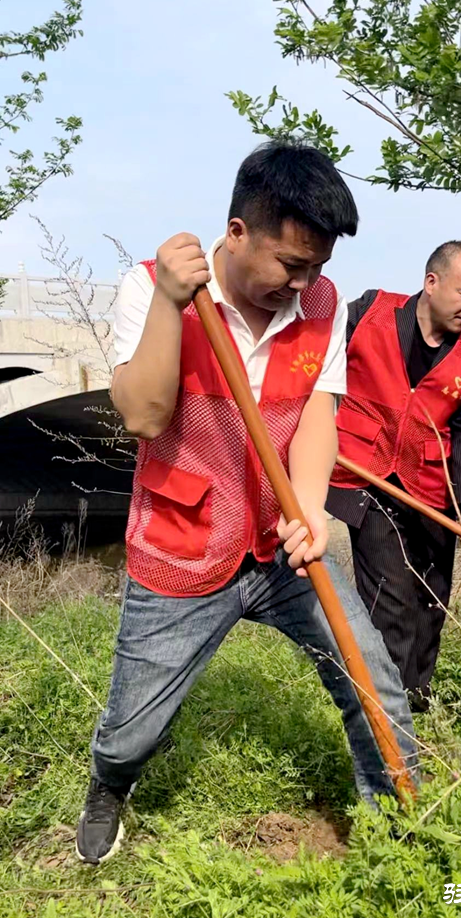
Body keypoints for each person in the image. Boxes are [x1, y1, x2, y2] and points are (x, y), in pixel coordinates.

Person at [76, 141, 418, 865]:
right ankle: (109, 785)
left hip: (280, 544)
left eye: (318, 266)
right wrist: (173, 305)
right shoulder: (150, 289)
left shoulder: (321, 306)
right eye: (291, 265)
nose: (304, 284)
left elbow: (318, 414)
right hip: (183, 543)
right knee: (134, 725)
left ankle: (400, 827)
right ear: (237, 234)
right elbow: (143, 415)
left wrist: (312, 511)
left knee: (372, 678)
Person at [327, 241, 461, 713]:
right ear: (431, 283)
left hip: (431, 488)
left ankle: (416, 706)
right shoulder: (368, 314)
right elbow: (317, 371)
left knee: (430, 601)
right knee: (392, 600)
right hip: (367, 480)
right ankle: (389, 720)